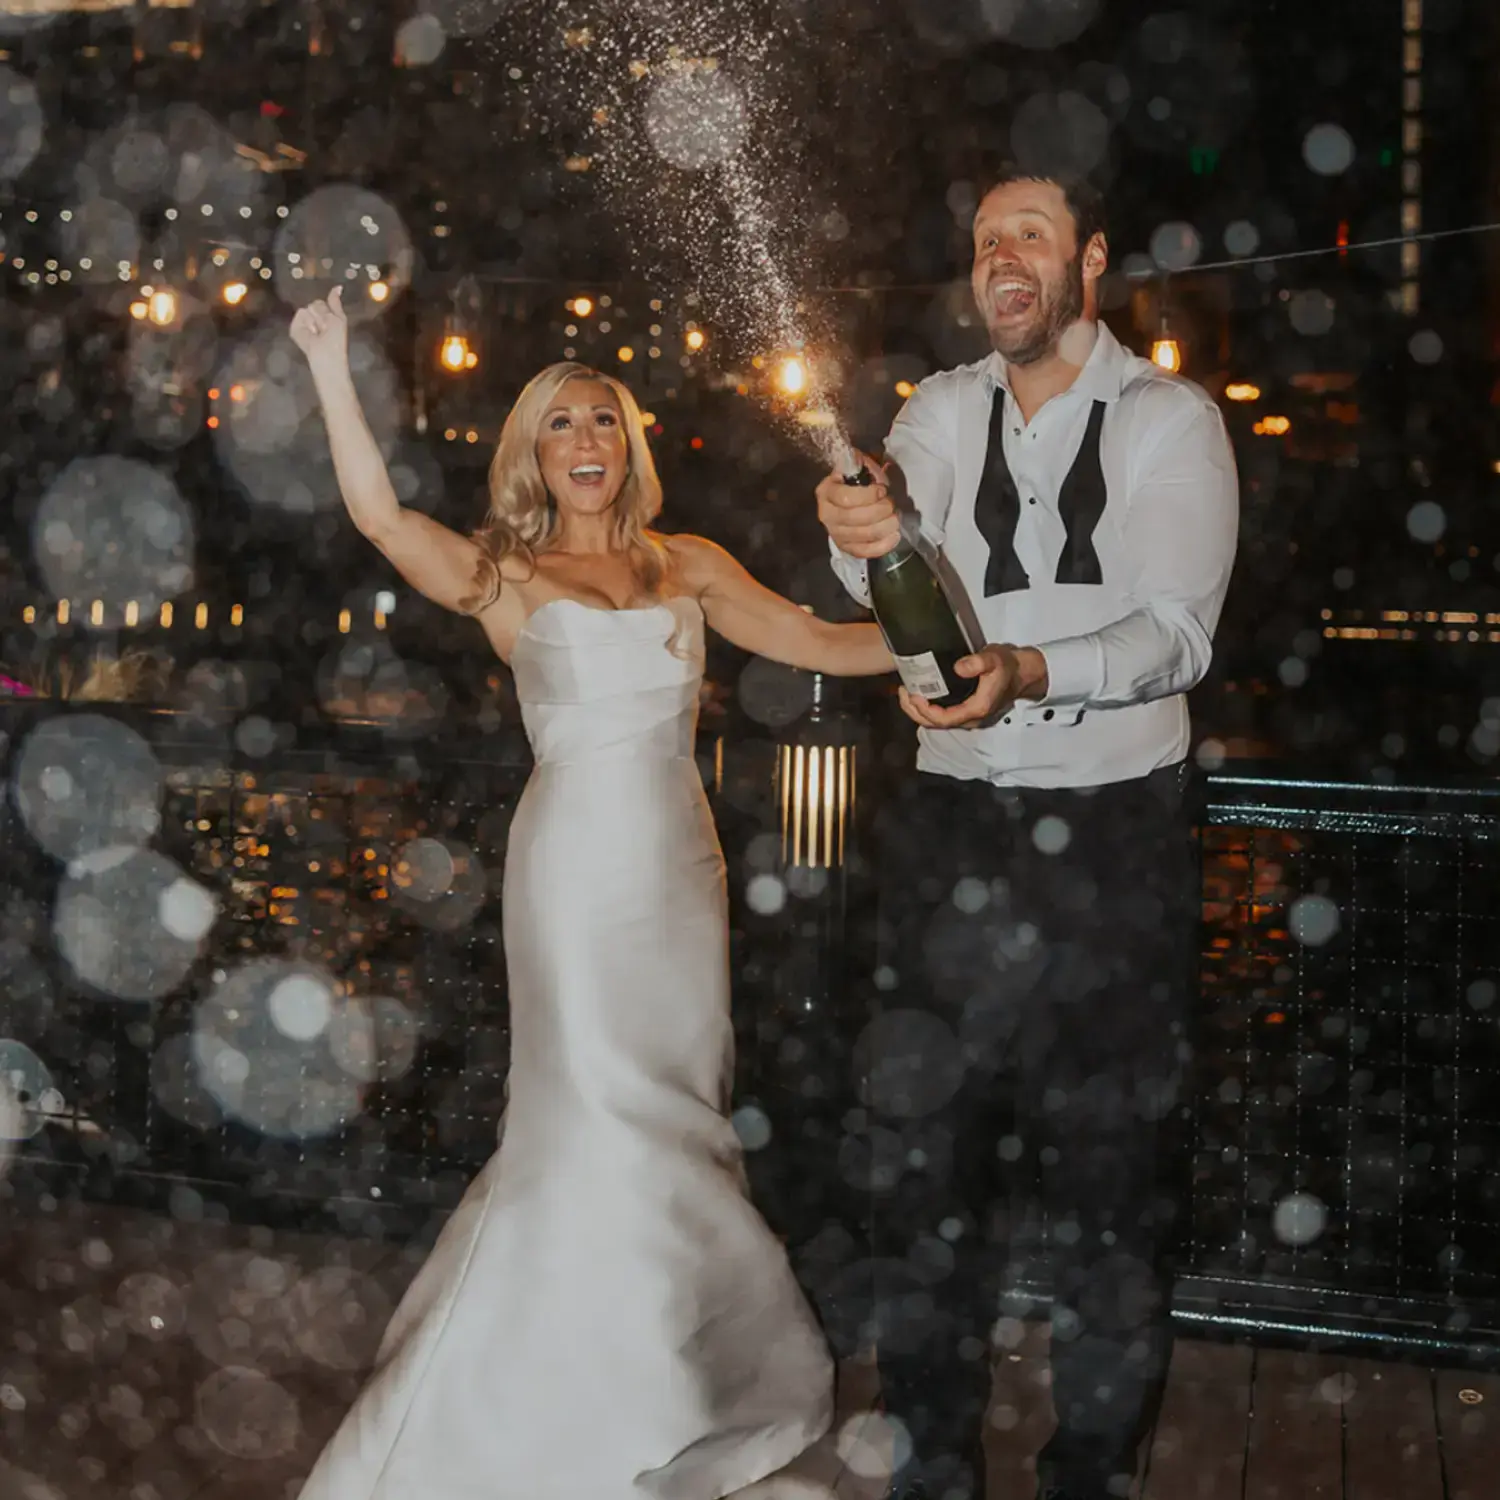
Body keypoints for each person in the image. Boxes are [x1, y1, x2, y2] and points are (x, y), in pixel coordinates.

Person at [289, 285, 894, 1500]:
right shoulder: (507, 575)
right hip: (570, 876)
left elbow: (828, 643)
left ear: (630, 445)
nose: (584, 441)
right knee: (584, 1114)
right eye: (560, 424)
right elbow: (379, 515)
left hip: (680, 873)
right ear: (533, 453)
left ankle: (676, 1374)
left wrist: (960, 647)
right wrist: (326, 361)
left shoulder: (690, 565)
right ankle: (532, 1399)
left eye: (603, 420)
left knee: (679, 1112)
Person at [816, 165, 1239, 1500]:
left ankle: (1091, 1477)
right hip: (953, 839)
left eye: (1032, 234)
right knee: (923, 1181)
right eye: (986, 237)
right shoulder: (939, 408)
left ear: (1090, 259)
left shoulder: (1170, 419)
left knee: (1112, 1196)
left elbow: (1176, 634)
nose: (1002, 256)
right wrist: (860, 528)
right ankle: (931, 1468)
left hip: (1115, 850)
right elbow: (893, 554)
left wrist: (1030, 672)